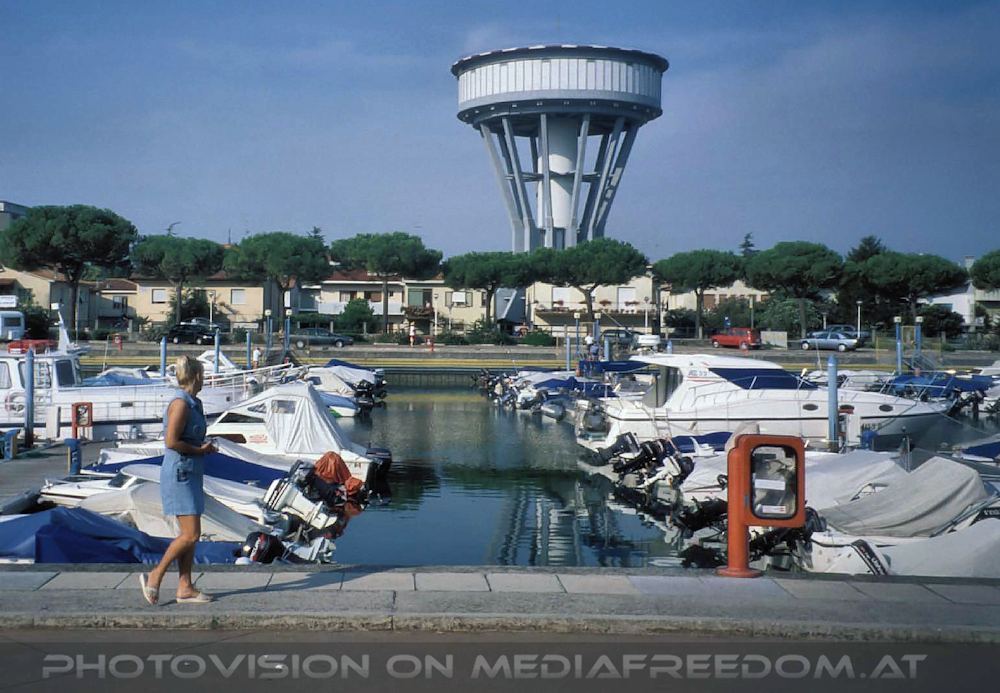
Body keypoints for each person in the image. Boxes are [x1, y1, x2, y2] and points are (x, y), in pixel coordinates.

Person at [139, 356, 218, 605]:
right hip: (179, 473)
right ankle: (156, 575)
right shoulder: (180, 404)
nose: (204, 380)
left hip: (191, 472)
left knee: (188, 534)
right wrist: (200, 450)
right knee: (192, 534)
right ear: (197, 376)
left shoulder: (194, 403)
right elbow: (171, 442)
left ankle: (185, 587)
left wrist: (203, 448)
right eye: (203, 375)